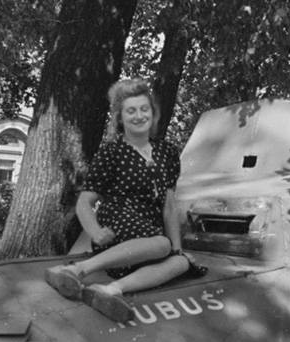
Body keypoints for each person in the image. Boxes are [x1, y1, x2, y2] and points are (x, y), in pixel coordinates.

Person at [44, 78, 189, 322]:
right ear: (120, 118)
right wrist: (95, 232)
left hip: (149, 233)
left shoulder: (168, 153)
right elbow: (84, 201)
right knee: (161, 245)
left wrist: (178, 249)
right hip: (117, 228)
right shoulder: (111, 152)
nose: (139, 115)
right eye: (130, 110)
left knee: (180, 263)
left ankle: (110, 290)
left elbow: (169, 205)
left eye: (144, 109)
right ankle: (76, 270)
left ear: (153, 114)